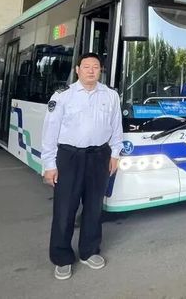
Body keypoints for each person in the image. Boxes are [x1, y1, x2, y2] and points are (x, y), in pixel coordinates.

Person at [41, 53, 123, 280]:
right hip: (69, 157)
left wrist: (115, 154)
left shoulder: (110, 96)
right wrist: (49, 165)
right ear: (77, 70)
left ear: (100, 71)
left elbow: (116, 127)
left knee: (94, 207)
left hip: (99, 156)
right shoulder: (62, 96)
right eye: (86, 67)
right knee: (65, 209)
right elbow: (50, 132)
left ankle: (89, 251)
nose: (91, 71)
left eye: (95, 67)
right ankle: (62, 257)